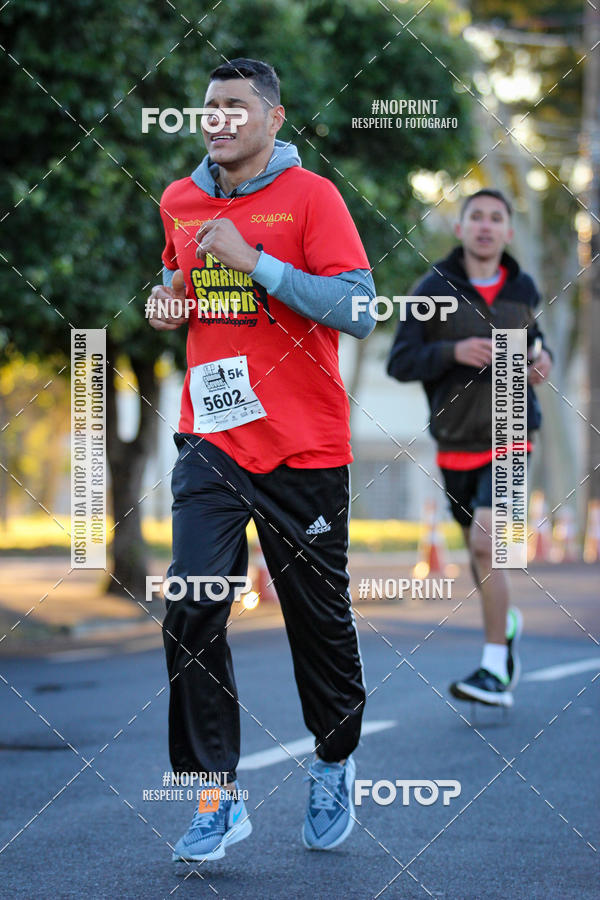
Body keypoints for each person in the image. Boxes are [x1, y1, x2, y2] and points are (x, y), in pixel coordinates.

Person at [147, 58, 376, 862]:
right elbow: (176, 287)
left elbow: (359, 307)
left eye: (236, 107)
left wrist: (261, 265)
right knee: (193, 605)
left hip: (304, 448)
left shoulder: (313, 198)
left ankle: (336, 756)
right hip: (211, 441)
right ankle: (214, 796)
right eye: (209, 107)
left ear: (274, 119)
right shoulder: (180, 198)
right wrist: (164, 304)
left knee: (317, 622)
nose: (218, 118)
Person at [387, 189, 552, 708]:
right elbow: (400, 361)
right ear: (460, 229)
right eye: (475, 216)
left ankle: (493, 670)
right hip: (454, 440)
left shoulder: (522, 286)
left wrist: (540, 362)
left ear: (507, 231)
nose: (485, 225)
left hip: (510, 431)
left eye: (496, 218)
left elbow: (536, 344)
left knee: (488, 544)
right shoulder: (432, 287)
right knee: (481, 559)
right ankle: (504, 630)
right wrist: (453, 350)